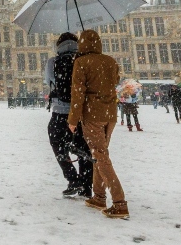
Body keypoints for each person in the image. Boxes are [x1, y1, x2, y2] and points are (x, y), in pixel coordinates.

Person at [68, 30, 127, 219]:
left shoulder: (81, 62)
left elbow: (78, 92)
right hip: (110, 114)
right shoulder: (110, 61)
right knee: (100, 154)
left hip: (92, 114)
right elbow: (114, 82)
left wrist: (72, 119)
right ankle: (99, 196)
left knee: (100, 156)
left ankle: (119, 202)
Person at [45, 33, 93, 197]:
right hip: (80, 113)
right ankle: (87, 186)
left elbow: (49, 81)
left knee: (57, 144)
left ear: (59, 45)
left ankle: (73, 179)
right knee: (84, 148)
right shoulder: (84, 60)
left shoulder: (53, 62)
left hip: (60, 112)